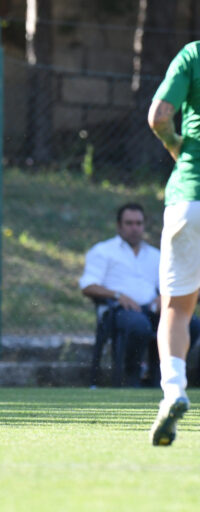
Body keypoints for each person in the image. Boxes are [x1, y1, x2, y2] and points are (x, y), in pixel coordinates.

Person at [147, 41, 200, 445]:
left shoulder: (193, 54)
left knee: (177, 308)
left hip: (190, 197)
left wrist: (175, 146)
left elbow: (159, 116)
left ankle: (174, 391)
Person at [80, 203, 174, 387]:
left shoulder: (155, 255)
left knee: (191, 324)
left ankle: (162, 377)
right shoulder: (103, 251)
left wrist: (163, 296)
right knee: (139, 325)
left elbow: (167, 285)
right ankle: (131, 374)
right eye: (129, 223)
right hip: (118, 311)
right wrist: (117, 295)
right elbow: (88, 286)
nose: (134, 228)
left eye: (139, 223)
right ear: (119, 226)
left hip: (151, 310)